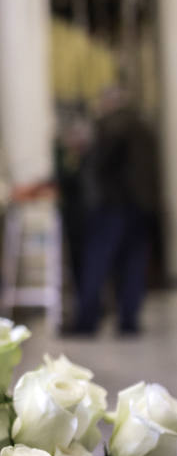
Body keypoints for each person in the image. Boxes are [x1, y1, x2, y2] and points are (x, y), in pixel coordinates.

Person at [74, 87, 160, 335]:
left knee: (98, 261)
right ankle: (128, 321)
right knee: (133, 264)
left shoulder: (110, 127)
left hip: (112, 205)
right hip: (141, 206)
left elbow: (100, 165)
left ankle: (87, 321)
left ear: (108, 103)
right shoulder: (144, 127)